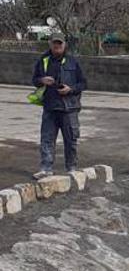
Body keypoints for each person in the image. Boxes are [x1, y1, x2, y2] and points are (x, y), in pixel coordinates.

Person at [32, 34, 87, 179]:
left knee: (71, 140)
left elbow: (83, 83)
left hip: (69, 108)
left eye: (60, 45)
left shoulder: (73, 62)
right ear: (50, 44)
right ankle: (46, 168)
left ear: (64, 45)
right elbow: (35, 80)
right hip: (50, 106)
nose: (57, 48)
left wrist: (71, 89)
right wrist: (42, 80)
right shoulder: (43, 60)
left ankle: (71, 168)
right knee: (47, 139)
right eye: (54, 45)